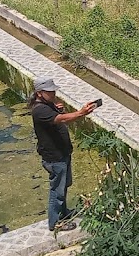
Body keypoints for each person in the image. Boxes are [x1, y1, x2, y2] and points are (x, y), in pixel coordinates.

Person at [29, 77, 97, 231]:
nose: (53, 94)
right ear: (39, 93)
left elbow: (61, 120)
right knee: (57, 191)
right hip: (54, 157)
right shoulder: (40, 110)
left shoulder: (48, 106)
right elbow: (60, 119)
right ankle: (55, 223)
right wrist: (80, 113)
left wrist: (59, 109)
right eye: (49, 92)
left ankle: (64, 213)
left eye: (53, 91)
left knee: (64, 186)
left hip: (62, 153)